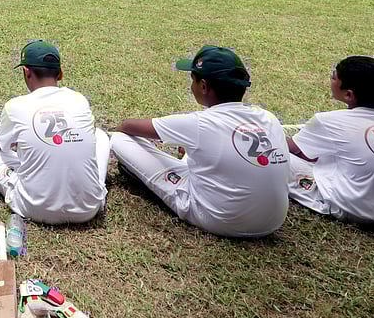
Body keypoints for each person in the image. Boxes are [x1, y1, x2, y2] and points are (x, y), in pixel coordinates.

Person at [109, 46, 288, 238]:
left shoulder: (200, 123)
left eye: (192, 80)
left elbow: (128, 126)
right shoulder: (268, 118)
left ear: (203, 86)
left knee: (120, 139)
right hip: (273, 222)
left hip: (220, 220)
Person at [0, 40, 109, 224]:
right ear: (60, 73)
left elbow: (2, 146)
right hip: (88, 208)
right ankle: (94, 187)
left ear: (27, 72)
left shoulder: (15, 106)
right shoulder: (79, 100)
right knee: (100, 135)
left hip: (33, 207)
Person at [286, 55, 374, 223]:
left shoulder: (329, 121)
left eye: (334, 77)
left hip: (352, 208)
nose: (331, 79)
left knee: (278, 156)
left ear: (349, 94)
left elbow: (291, 148)